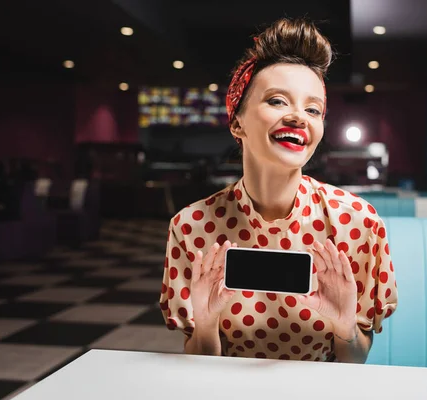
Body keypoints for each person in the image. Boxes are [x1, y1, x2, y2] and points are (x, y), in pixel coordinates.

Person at [160, 17, 398, 363]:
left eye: (313, 109)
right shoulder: (191, 227)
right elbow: (199, 363)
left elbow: (354, 362)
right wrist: (207, 325)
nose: (299, 117)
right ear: (237, 121)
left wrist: (345, 327)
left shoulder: (358, 223)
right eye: (277, 101)